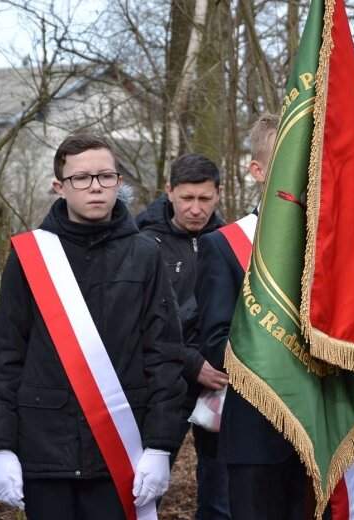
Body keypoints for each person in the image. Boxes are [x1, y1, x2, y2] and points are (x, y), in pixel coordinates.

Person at [0, 134, 187, 518]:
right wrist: (0, 445)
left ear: (119, 182)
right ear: (59, 186)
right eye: (81, 178)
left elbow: (164, 356)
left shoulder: (145, 254)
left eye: (105, 176)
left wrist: (160, 445)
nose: (95, 186)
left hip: (119, 450)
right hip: (44, 451)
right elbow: (7, 354)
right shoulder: (30, 255)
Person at [196, 113, 316, 519]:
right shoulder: (223, 245)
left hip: (320, 429)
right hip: (254, 434)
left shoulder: (327, 243)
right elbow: (215, 340)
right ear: (258, 169)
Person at [135, 153, 229, 519]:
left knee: (222, 497)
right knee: (144, 490)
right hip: (160, 382)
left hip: (218, 382)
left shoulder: (229, 242)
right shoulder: (141, 241)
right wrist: (192, 362)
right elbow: (144, 320)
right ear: (169, 191)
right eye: (187, 198)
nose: (195, 209)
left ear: (218, 194)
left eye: (204, 199)